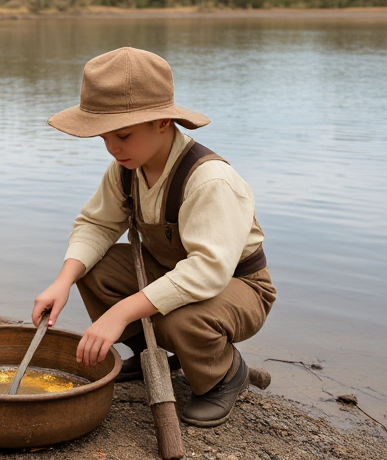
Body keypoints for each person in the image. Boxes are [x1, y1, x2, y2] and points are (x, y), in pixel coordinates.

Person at [31, 47, 276, 427]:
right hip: (170, 271)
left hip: (236, 284)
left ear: (162, 122)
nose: (112, 148)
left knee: (182, 320)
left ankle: (224, 375)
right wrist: (62, 282)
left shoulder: (210, 181)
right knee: (93, 269)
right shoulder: (126, 168)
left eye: (123, 135)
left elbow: (208, 272)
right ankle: (153, 356)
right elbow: (96, 225)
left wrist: (120, 312)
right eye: (104, 137)